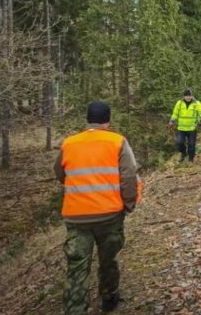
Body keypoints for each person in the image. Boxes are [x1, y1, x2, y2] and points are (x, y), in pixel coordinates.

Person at [54, 101, 140, 314]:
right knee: (108, 259)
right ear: (107, 121)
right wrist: (129, 204)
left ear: (88, 119)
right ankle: (109, 297)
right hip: (109, 214)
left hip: (76, 216)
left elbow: (60, 173)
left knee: (77, 266)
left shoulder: (69, 143)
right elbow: (129, 175)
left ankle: (75, 309)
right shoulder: (117, 141)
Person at [169, 89, 201, 162]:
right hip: (181, 128)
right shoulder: (179, 103)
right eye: (186, 96)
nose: (188, 97)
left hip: (192, 128)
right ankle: (183, 153)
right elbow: (175, 113)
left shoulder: (197, 103)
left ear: (192, 96)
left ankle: (191, 159)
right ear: (184, 96)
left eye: (189, 96)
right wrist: (171, 121)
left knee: (192, 145)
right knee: (179, 143)